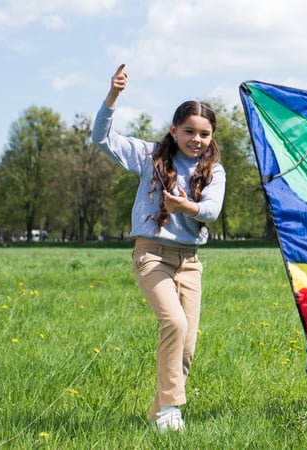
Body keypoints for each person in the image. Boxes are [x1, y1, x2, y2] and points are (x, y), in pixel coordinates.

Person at [91, 64, 226, 431]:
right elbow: (103, 138)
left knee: (186, 349)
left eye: (204, 134)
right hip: (151, 255)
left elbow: (212, 210)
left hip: (190, 261)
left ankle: (158, 414)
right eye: (189, 132)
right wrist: (113, 97)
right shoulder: (151, 157)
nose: (196, 140)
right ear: (174, 130)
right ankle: (171, 412)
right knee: (174, 323)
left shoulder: (214, 170)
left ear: (211, 137)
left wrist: (187, 207)